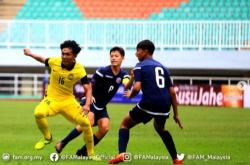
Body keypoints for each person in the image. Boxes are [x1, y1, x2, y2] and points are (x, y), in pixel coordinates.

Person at [108, 40, 184, 164]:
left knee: (125, 124)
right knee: (160, 128)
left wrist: (131, 96)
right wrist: (176, 114)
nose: (136, 53)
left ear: (145, 51)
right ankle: (176, 159)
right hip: (165, 105)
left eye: (138, 50)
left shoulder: (140, 66)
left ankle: (122, 154)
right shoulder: (164, 68)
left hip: (149, 103)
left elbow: (137, 87)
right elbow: (172, 92)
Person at [23, 40, 98, 160]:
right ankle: (47, 137)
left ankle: (91, 154)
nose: (64, 56)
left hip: (68, 102)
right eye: (63, 53)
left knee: (85, 123)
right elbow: (42, 59)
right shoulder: (54, 61)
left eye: (67, 54)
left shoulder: (79, 69)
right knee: (38, 113)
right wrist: (30, 54)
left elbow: (88, 89)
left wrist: (87, 105)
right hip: (51, 100)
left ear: (74, 56)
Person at [55, 46, 131, 156]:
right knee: (88, 122)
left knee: (104, 128)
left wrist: (132, 79)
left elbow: (126, 84)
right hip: (90, 100)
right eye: (112, 56)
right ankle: (62, 143)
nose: (113, 58)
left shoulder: (124, 74)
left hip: (101, 106)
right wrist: (90, 97)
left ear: (122, 58)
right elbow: (89, 85)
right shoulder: (102, 71)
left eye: (116, 56)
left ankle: (83, 152)